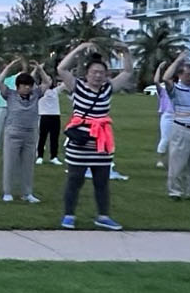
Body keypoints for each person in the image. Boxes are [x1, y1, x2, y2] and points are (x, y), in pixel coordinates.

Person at [56, 40, 134, 230]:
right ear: (87, 74)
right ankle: (69, 215)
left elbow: (127, 72)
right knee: (75, 180)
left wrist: (126, 52)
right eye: (94, 72)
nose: (98, 76)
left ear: (106, 75)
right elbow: (62, 68)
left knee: (102, 182)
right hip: (79, 143)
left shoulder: (107, 89)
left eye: (101, 73)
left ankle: (103, 216)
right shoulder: (77, 87)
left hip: (101, 143)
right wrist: (79, 49)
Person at [159, 52, 190, 201]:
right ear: (180, 75)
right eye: (188, 74)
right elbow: (166, 78)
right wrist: (178, 60)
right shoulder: (176, 90)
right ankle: (175, 191)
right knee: (178, 163)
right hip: (182, 128)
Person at [0, 58, 47, 204]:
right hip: (13, 133)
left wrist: (40, 69)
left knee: (28, 165)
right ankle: (7, 192)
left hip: (30, 134)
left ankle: (27, 193)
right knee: (10, 164)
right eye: (24, 85)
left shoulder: (35, 94)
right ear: (17, 86)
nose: (27, 88)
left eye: (29, 85)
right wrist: (10, 66)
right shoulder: (10, 95)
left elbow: (47, 83)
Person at [37, 67, 64, 166]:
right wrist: (39, 69)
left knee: (54, 138)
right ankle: (40, 156)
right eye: (46, 79)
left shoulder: (55, 91)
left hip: (55, 116)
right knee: (42, 137)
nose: (48, 81)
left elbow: (65, 83)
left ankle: (54, 157)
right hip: (44, 116)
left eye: (50, 79)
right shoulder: (40, 90)